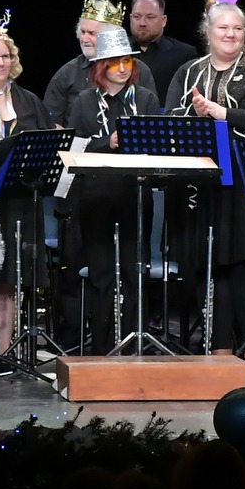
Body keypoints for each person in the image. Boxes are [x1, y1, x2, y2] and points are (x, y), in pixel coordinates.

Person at [162, 0, 245, 355]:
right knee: (210, 266)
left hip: (243, 185)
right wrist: (194, 114)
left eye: (237, 28)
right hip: (199, 187)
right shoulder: (188, 71)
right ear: (208, 31)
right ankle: (218, 349)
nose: (231, 34)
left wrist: (222, 113)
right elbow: (169, 117)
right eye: (223, 28)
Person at [67, 26, 163, 352]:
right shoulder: (84, 101)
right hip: (96, 197)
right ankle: (103, 347)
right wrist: (106, 143)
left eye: (127, 62)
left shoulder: (145, 98)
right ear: (100, 66)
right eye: (114, 63)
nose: (122, 68)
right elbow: (74, 150)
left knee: (137, 273)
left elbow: (158, 147)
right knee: (102, 275)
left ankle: (136, 345)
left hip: (135, 195)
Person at [0, 27, 52, 356]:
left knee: (10, 284)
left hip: (19, 202)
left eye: (6, 56)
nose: (1, 62)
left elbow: (47, 146)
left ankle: (5, 354)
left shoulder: (28, 100)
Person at [42, 0, 158, 123]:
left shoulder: (138, 69)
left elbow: (153, 118)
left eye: (92, 33)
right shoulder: (66, 74)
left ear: (112, 36)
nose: (84, 39)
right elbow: (49, 123)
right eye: (83, 32)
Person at [128, 0, 196, 95]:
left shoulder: (184, 54)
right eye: (137, 17)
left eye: (150, 17)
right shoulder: (116, 51)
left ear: (164, 21)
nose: (142, 23)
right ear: (130, 18)